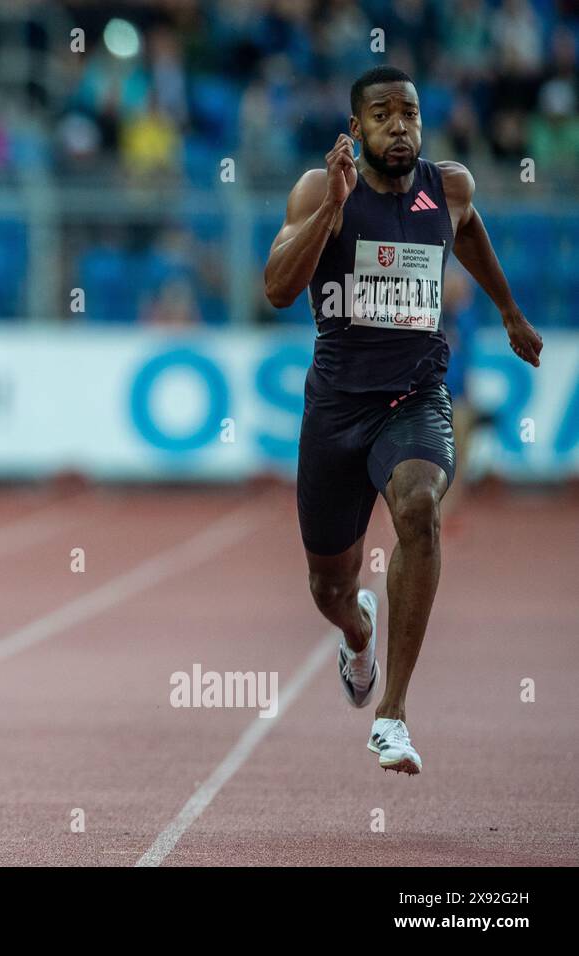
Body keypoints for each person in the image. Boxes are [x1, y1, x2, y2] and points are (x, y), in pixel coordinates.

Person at [263, 66, 543, 775]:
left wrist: (508, 309)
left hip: (415, 397)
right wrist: (331, 209)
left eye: (410, 114)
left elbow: (470, 229)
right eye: (382, 116)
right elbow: (275, 289)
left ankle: (393, 715)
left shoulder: (449, 187)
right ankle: (358, 633)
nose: (400, 127)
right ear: (356, 130)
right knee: (329, 586)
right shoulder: (318, 189)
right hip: (335, 409)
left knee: (419, 507)